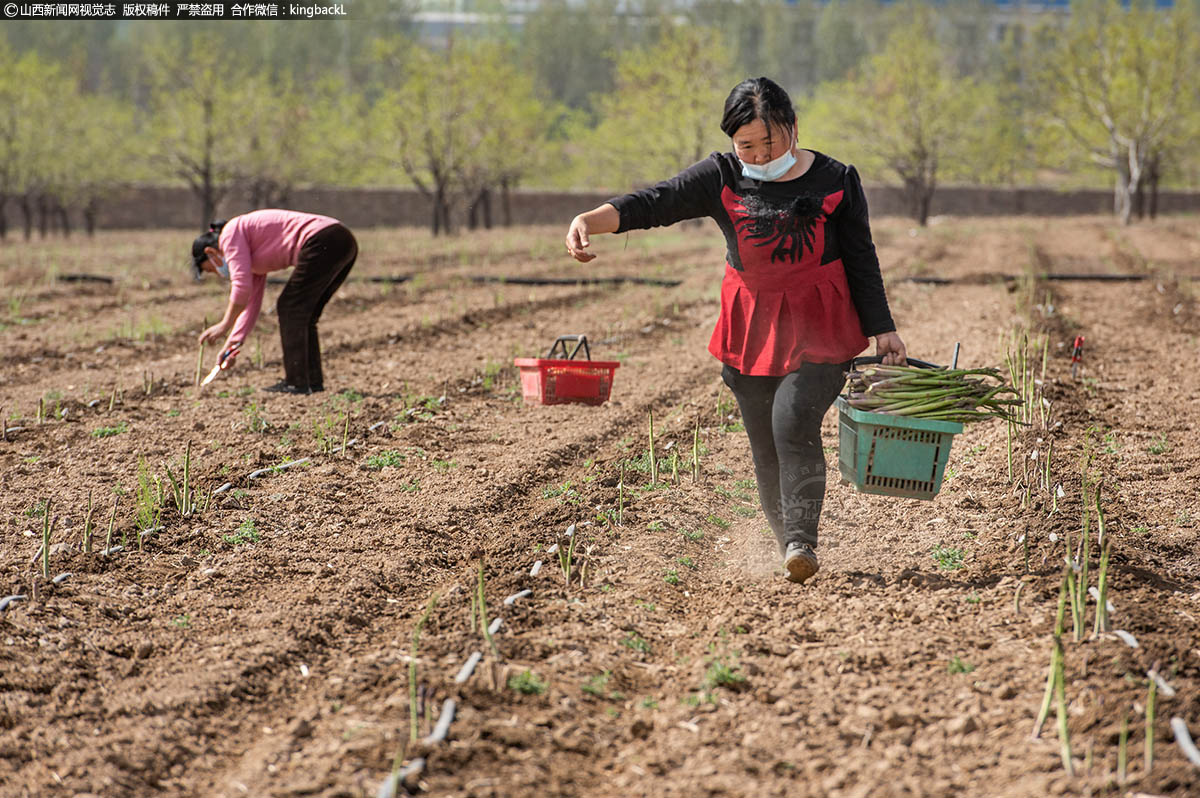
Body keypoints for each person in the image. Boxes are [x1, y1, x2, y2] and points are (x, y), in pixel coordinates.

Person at [564, 77, 907, 585]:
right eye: (747, 144)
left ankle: (801, 540)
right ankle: (787, 544)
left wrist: (883, 328)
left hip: (821, 321)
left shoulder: (836, 179)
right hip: (751, 322)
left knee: (793, 421)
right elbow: (656, 201)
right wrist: (588, 220)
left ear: (793, 128)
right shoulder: (721, 175)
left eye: (771, 141)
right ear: (731, 141)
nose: (761, 154)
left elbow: (861, 255)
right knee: (764, 441)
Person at [191, 209, 358, 394]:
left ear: (211, 253)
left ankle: (297, 383)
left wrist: (224, 325)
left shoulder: (230, 234)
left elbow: (241, 288)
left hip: (323, 239)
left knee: (290, 307)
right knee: (303, 314)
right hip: (342, 240)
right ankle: (311, 382)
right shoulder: (248, 252)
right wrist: (232, 345)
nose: (217, 273)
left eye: (210, 270)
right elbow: (251, 304)